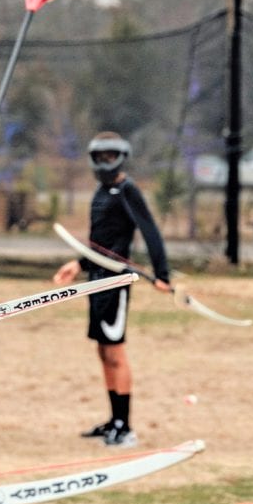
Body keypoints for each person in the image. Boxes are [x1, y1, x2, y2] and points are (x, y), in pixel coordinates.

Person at [53, 132, 171, 447]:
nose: (105, 162)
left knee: (116, 351)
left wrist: (162, 274)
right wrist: (78, 264)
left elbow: (150, 232)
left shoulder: (127, 191)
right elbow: (99, 242)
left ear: (120, 157)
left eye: (110, 156)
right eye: (99, 156)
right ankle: (112, 421)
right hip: (95, 278)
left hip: (116, 282)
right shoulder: (102, 192)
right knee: (103, 350)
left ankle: (125, 426)